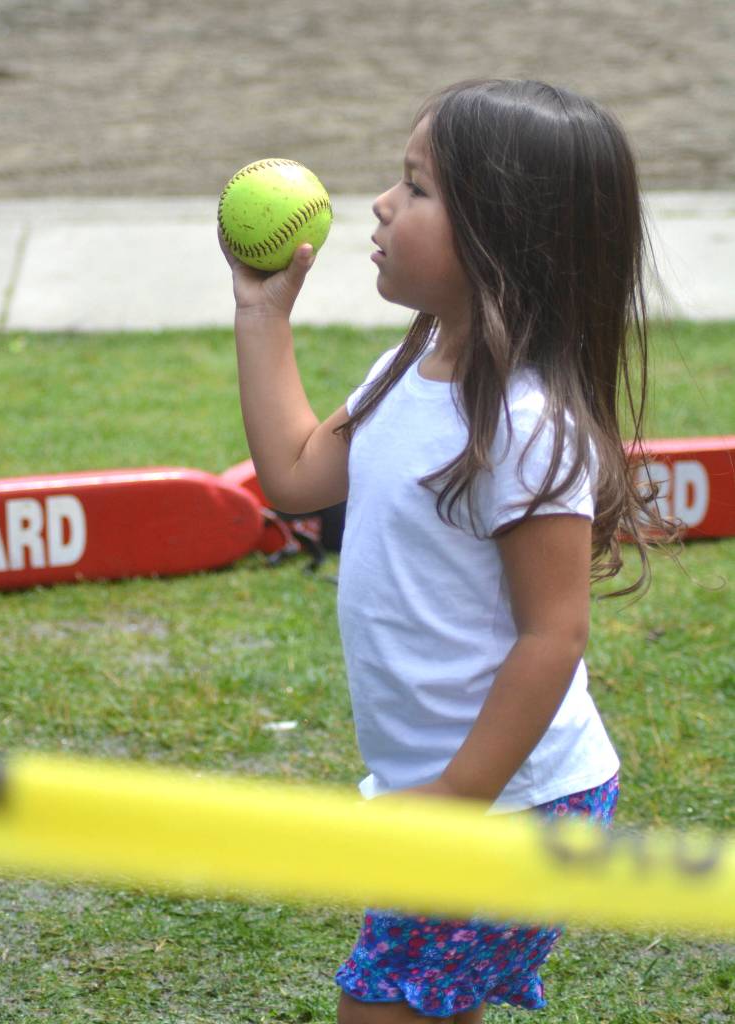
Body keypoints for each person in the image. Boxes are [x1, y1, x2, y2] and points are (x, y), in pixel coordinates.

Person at [220, 78, 674, 1024]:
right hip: (463, 798)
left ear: (501, 236)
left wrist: (457, 797)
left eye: (416, 187)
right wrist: (262, 314)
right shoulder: (411, 365)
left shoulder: (524, 425)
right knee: (433, 1008)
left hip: (511, 808)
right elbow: (300, 477)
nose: (381, 205)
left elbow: (554, 635)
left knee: (379, 1011)